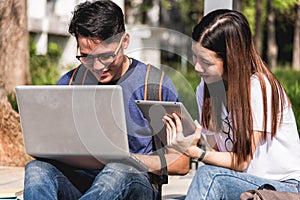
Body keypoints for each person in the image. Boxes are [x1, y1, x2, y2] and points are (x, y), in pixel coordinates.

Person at [24, 1, 190, 199]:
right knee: (37, 169)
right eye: (86, 57)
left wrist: (131, 160)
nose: (97, 66)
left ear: (125, 41)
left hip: (134, 184)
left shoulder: (153, 85)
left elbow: (181, 163)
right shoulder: (70, 84)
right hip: (82, 183)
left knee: (118, 169)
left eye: (106, 56)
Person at [163, 9, 300, 199]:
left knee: (208, 177)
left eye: (206, 62)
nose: (196, 67)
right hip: (239, 181)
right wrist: (195, 143)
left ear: (231, 60)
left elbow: (241, 162)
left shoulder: (258, 88)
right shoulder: (205, 89)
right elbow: (218, 155)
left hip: (283, 186)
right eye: (195, 56)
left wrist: (195, 152)